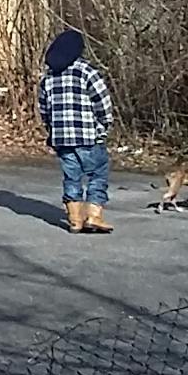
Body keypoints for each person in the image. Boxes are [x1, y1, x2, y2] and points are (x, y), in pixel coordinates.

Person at [39, 28, 113, 234]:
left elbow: (44, 108)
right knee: (98, 172)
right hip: (87, 135)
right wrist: (105, 123)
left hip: (61, 138)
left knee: (71, 176)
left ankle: (74, 219)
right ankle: (94, 216)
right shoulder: (87, 72)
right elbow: (102, 100)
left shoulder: (48, 78)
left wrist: (51, 128)